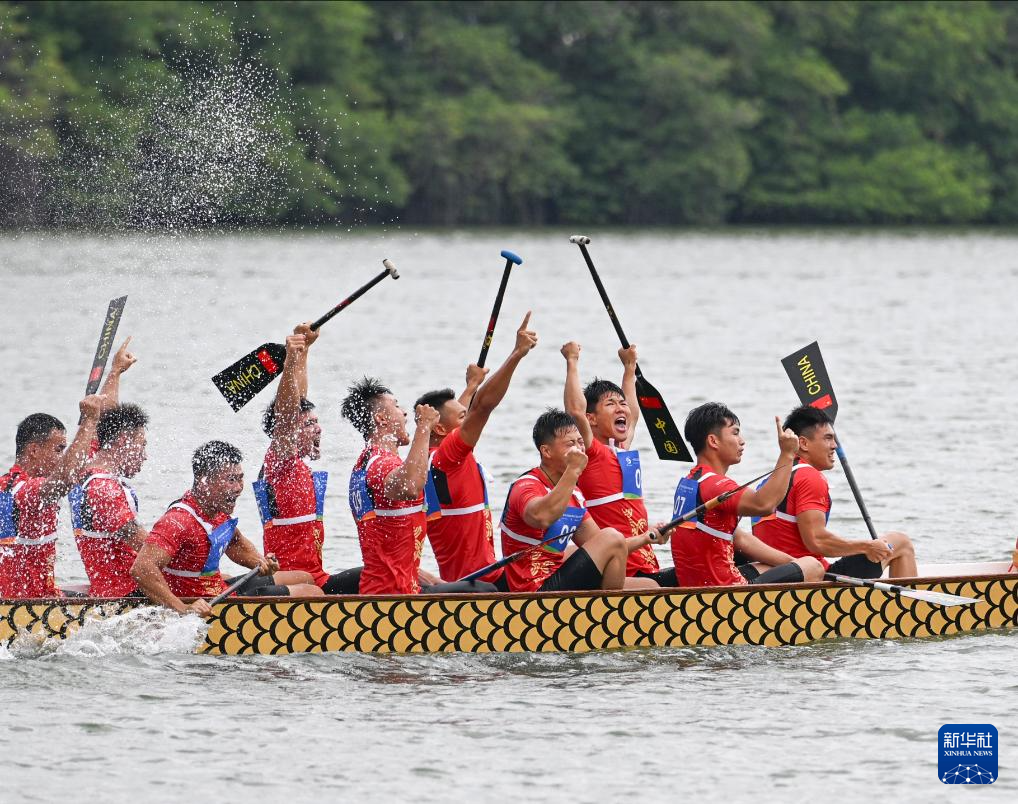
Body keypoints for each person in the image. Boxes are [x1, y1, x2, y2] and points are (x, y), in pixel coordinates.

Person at [130, 441, 322, 616]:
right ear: (204, 481)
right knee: (313, 593)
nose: (239, 488)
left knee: (305, 578)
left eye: (240, 478)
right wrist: (183, 609)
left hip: (219, 589)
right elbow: (141, 569)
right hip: (205, 604)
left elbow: (236, 545)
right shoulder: (178, 521)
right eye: (231, 480)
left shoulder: (217, 512)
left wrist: (260, 562)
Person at [416, 312, 538, 586]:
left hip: (471, 576)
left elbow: (461, 414)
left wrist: (471, 385)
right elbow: (482, 408)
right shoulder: (448, 457)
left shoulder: (430, 454)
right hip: (478, 584)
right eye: (462, 418)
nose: (467, 419)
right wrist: (517, 354)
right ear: (440, 430)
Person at [499, 408, 666, 593]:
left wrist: (646, 538)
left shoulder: (575, 494)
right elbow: (541, 518)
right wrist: (573, 471)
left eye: (580, 442)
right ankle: (609, 610)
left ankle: (605, 605)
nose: (579, 448)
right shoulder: (526, 486)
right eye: (571, 443)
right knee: (611, 535)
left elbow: (612, 546)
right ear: (546, 451)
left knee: (650, 586)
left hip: (557, 579)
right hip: (531, 589)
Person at [670, 402, 825, 587]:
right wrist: (787, 454)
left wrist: (793, 564)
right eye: (735, 433)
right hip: (722, 592)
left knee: (770, 564)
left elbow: (740, 538)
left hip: (699, 584)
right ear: (713, 441)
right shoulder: (715, 485)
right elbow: (763, 504)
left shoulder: (691, 481)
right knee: (814, 566)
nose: (742, 440)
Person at [753, 404, 917, 579]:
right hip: (813, 578)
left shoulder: (771, 481)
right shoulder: (809, 476)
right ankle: (909, 605)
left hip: (777, 575)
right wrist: (867, 546)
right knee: (901, 543)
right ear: (803, 443)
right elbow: (816, 540)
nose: (835, 446)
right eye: (828, 438)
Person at [255, 325, 361, 595]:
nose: (319, 430)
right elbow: (288, 412)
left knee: (375, 574)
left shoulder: (297, 463)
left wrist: (303, 352)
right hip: (293, 583)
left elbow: (298, 401)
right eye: (310, 425)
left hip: (317, 578)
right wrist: (290, 361)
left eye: (317, 423)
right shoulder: (279, 462)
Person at [343, 378, 475, 595]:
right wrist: (423, 427)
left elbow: (389, 553)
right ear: (381, 419)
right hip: (392, 596)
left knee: (468, 587)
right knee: (482, 590)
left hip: (396, 587)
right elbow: (411, 487)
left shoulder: (367, 461)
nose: (404, 412)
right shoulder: (380, 464)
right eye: (396, 406)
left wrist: (435, 581)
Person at [561, 340, 664, 582]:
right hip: (618, 570)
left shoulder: (621, 451)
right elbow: (575, 412)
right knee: (656, 587)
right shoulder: (590, 450)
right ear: (592, 419)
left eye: (622, 404)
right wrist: (572, 362)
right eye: (611, 405)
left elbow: (634, 415)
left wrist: (629, 368)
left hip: (644, 562)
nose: (621, 409)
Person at [0, 395, 105, 597]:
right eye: (59, 450)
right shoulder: (22, 491)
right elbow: (65, 478)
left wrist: (116, 372)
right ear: (33, 450)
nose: (62, 458)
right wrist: (89, 420)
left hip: (42, 596)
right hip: (24, 607)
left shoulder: (11, 483)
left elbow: (91, 440)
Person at [69, 403, 150, 597]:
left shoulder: (82, 467)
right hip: (128, 593)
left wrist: (115, 373)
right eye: (142, 445)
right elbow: (146, 549)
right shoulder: (104, 489)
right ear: (123, 441)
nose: (145, 456)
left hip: (114, 587)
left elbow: (104, 409)